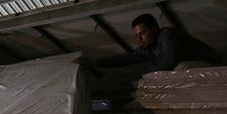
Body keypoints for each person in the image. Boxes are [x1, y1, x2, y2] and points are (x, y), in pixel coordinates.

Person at [90, 13, 219, 71]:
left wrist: (150, 73)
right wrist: (97, 63)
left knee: (181, 68)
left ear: (154, 29)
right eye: (136, 35)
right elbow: (125, 59)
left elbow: (170, 60)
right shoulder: (147, 48)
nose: (139, 39)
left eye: (142, 33)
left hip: (209, 66)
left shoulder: (167, 35)